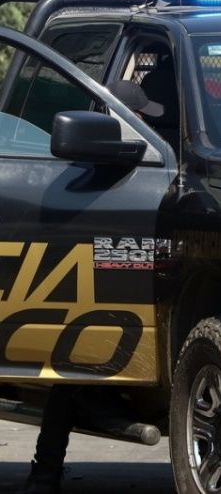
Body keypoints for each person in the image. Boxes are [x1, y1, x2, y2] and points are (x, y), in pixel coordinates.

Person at [21, 81, 164, 494]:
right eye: (139, 118)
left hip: (110, 284)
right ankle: (59, 453)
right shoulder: (90, 168)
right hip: (86, 281)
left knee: (71, 377)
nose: (147, 125)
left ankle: (46, 470)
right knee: (73, 369)